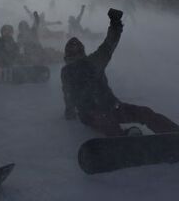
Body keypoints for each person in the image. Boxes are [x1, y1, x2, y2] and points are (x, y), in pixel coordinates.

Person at [61, 8, 179, 136]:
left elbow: (68, 94)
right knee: (107, 120)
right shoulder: (84, 65)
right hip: (94, 112)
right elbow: (109, 44)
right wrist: (115, 23)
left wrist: (115, 23)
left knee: (141, 113)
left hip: (111, 107)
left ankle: (172, 131)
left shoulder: (90, 63)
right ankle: (124, 137)